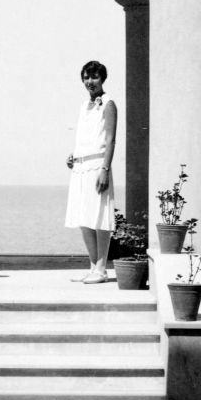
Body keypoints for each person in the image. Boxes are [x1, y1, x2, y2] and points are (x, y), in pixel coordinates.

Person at [65, 60, 117, 283]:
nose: (90, 81)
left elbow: (110, 139)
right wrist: (74, 155)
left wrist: (105, 169)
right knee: (84, 217)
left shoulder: (108, 103)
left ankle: (102, 268)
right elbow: (86, 136)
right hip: (81, 167)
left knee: (99, 216)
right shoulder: (84, 105)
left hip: (98, 166)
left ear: (102, 79)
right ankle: (93, 265)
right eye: (86, 77)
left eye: (94, 77)